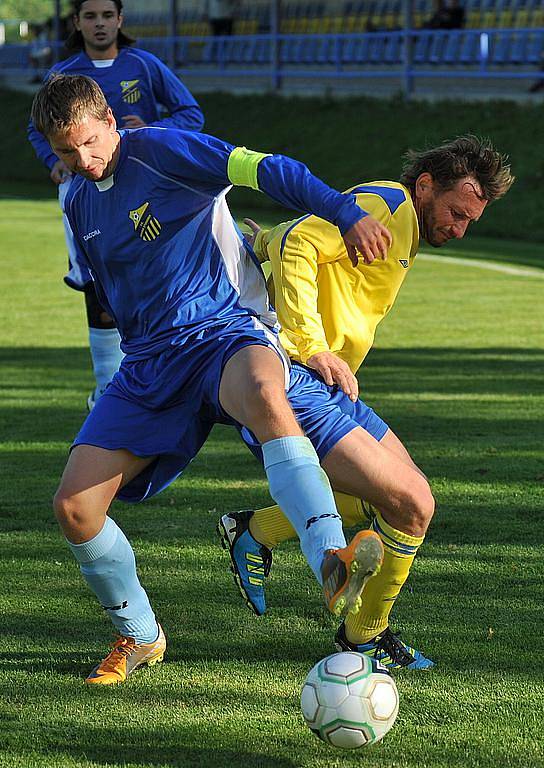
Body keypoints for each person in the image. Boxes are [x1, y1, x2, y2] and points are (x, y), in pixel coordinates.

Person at [31, 72, 394, 684]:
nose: (83, 161)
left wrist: (341, 210)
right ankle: (139, 636)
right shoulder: (77, 200)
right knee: (74, 507)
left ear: (111, 122)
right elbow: (112, 294)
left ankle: (329, 556)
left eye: (90, 143)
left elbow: (266, 167)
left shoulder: (167, 150)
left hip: (221, 333)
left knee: (261, 390)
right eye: (67, 152)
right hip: (149, 365)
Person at [218, 135, 514, 669]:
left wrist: (261, 244)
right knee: (412, 505)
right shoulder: (389, 205)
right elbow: (301, 246)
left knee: (399, 499)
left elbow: (295, 238)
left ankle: (256, 530)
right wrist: (311, 347)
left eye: (471, 219)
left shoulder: (402, 218)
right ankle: (363, 638)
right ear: (425, 186)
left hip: (329, 385)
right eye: (455, 212)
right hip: (291, 378)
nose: (460, 228)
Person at [27, 0, 204, 411]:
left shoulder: (144, 65)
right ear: (77, 23)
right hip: (84, 188)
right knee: (97, 279)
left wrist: (157, 129)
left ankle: (172, 372)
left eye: (107, 15)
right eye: (90, 16)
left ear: (120, 20)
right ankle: (108, 385)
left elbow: (190, 114)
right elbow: (36, 127)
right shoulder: (63, 76)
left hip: (141, 185)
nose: (100, 23)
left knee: (156, 272)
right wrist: (55, 160)